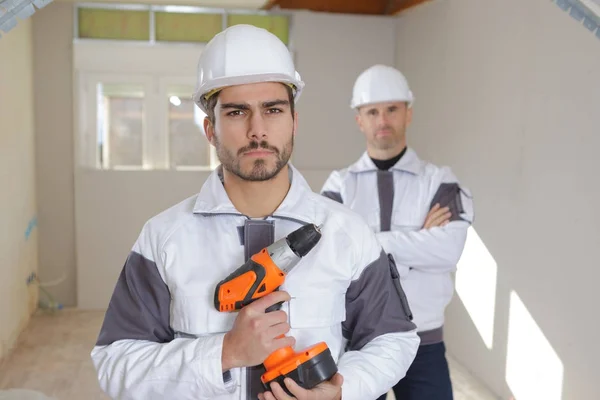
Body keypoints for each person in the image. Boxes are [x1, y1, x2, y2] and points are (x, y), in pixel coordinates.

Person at [91, 27, 420, 400]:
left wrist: (342, 391)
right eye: (236, 112)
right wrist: (225, 353)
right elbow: (115, 363)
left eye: (273, 110)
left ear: (294, 122)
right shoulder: (163, 237)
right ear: (210, 129)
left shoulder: (347, 233)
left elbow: (394, 338)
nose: (257, 131)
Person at [320, 64, 475, 400]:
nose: (383, 120)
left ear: (408, 113)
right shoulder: (339, 186)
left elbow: (448, 250)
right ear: (359, 119)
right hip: (359, 343)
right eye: (372, 111)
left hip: (424, 340)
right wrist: (418, 242)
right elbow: (329, 256)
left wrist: (367, 243)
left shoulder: (440, 181)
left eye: (392, 109)